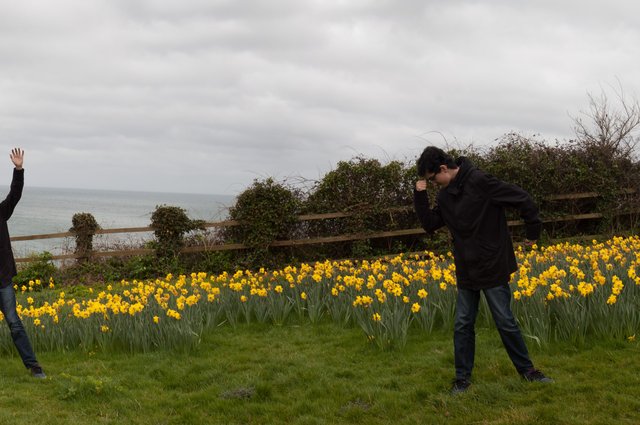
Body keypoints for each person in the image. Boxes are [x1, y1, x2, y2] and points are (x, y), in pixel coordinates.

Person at [413, 146, 551, 394]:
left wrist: (533, 232)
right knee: (463, 324)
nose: (433, 184)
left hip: (492, 264)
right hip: (466, 268)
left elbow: (522, 198)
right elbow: (431, 224)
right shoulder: (445, 196)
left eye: (433, 179)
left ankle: (528, 372)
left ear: (443, 169)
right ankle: (462, 380)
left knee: (505, 322)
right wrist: (419, 195)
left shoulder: (480, 181)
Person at [0, 148, 45, 378]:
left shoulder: (1, 212)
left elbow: (14, 195)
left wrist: (18, 169)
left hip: (2, 280)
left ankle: (33, 366)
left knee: (14, 324)